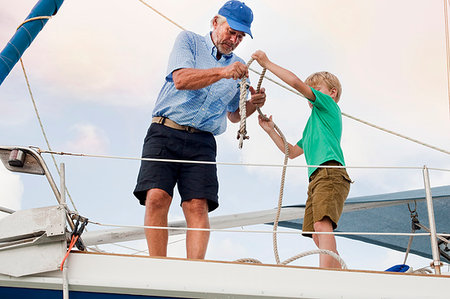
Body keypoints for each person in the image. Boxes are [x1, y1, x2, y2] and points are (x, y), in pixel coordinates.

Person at [133, 1, 266, 260]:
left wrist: (253, 104)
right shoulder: (189, 41)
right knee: (157, 197)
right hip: (165, 131)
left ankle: (194, 272)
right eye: (231, 31)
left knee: (197, 206)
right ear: (215, 22)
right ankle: (157, 266)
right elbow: (181, 79)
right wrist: (223, 72)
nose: (234, 39)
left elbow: (234, 114)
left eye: (240, 36)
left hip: (203, 141)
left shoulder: (241, 69)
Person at [252, 50, 351, 268]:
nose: (311, 93)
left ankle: (327, 275)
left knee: (322, 226)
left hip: (330, 172)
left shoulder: (328, 106)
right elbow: (291, 152)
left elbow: (296, 83)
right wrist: (270, 131)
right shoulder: (311, 126)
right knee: (317, 233)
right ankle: (337, 270)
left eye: (316, 89)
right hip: (316, 179)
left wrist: (267, 63)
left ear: (331, 93)